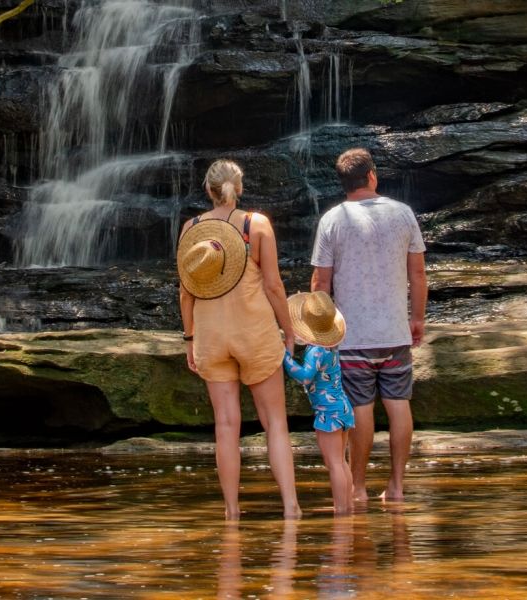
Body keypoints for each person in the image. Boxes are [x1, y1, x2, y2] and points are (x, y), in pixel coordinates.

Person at [177, 158, 301, 520]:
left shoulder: (191, 229)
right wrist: (289, 330)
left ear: (208, 190)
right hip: (254, 332)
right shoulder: (255, 224)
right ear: (239, 188)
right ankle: (290, 507)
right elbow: (274, 286)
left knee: (226, 426)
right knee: (275, 422)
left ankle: (231, 512)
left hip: (212, 336)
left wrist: (189, 339)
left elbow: (186, 292)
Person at [311, 148, 427, 501]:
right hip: (394, 333)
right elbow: (418, 274)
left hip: (352, 338)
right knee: (398, 404)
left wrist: (320, 332)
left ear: (344, 183)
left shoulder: (332, 219)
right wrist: (417, 318)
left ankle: (358, 487)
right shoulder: (403, 214)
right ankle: (396, 486)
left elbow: (320, 284)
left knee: (360, 409)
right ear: (372, 176)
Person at [283, 291, 354, 515]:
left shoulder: (315, 351)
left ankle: (340, 510)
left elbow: (305, 376)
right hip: (343, 408)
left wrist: (283, 356)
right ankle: (348, 506)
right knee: (341, 462)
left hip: (327, 412)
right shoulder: (331, 348)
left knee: (333, 463)